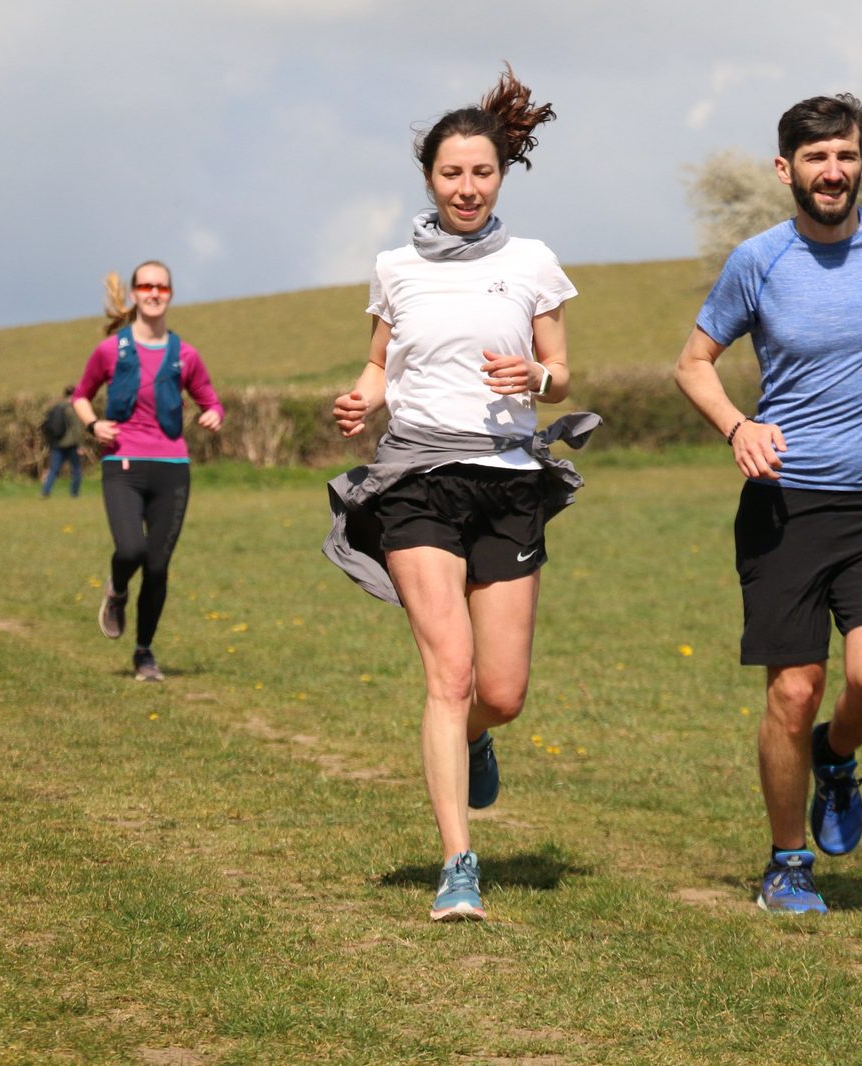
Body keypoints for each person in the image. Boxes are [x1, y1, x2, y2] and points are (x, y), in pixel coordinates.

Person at [324, 67, 600, 923]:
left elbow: (560, 376)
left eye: (481, 173)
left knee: (501, 691)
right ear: (429, 178)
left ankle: (478, 735)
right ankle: (458, 863)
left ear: (501, 174)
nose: (467, 188)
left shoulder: (533, 263)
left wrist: (540, 375)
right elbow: (380, 362)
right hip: (416, 480)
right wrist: (363, 396)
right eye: (452, 173)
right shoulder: (394, 268)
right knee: (450, 674)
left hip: (509, 479)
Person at [673, 93, 862, 914]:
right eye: (815, 158)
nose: (831, 171)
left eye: (845, 155)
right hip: (785, 505)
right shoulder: (757, 261)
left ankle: (837, 753)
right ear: (785, 169)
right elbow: (694, 362)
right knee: (792, 691)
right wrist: (736, 427)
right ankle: (788, 863)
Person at [72, 261, 224, 682]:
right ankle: (117, 590)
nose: (154, 293)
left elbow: (210, 400)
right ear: (135, 294)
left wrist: (213, 415)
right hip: (123, 464)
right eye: (146, 286)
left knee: (157, 566)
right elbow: (82, 396)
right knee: (131, 552)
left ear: (170, 295)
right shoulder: (111, 350)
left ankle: (144, 653)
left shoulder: (185, 354)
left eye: (162, 287)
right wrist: (93, 425)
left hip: (172, 468)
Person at [40, 384, 84, 498]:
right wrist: (80, 445)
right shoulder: (71, 409)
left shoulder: (57, 407)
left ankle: (45, 491)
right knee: (76, 469)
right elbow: (76, 428)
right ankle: (74, 493)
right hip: (71, 444)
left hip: (57, 443)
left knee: (54, 469)